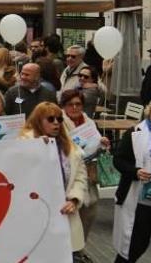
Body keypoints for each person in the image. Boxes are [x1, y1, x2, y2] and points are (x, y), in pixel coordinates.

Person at [21, 102, 88, 257]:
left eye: (59, 119)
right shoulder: (24, 143)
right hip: (36, 214)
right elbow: (20, 173)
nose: (56, 123)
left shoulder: (71, 148)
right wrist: (36, 148)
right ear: (38, 121)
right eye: (50, 119)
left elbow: (80, 177)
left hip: (64, 213)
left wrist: (75, 200)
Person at [113, 95, 151, 262]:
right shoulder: (136, 133)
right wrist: (135, 172)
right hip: (139, 203)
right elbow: (119, 160)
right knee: (133, 246)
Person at [60, 89, 110, 245]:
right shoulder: (59, 122)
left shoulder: (89, 122)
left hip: (90, 173)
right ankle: (69, 251)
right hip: (70, 176)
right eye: (70, 104)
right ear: (64, 106)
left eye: (78, 104)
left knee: (90, 212)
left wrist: (102, 144)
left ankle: (82, 248)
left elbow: (96, 146)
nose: (75, 108)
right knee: (71, 217)